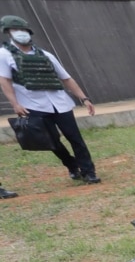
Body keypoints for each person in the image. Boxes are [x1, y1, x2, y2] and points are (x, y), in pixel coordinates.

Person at [0, 14, 100, 184]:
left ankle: (88, 172)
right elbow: (4, 80)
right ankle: (71, 164)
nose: (20, 33)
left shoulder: (45, 54)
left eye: (23, 29)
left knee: (75, 138)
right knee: (51, 141)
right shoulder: (4, 54)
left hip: (60, 103)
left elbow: (66, 78)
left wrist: (84, 99)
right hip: (32, 106)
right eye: (15, 29)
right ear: (8, 32)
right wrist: (15, 104)